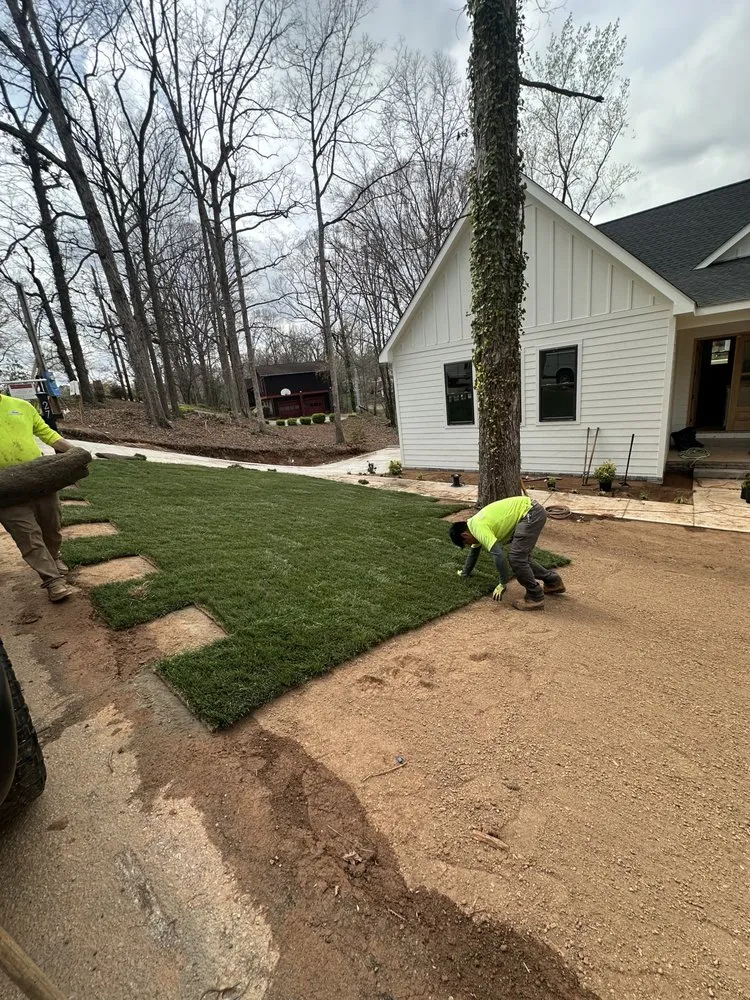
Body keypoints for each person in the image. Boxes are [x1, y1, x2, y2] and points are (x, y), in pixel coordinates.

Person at [0, 392, 76, 602]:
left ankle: (54, 556)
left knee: (51, 527)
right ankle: (53, 581)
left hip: (39, 480)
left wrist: (75, 452)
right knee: (28, 535)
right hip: (4, 491)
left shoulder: (21, 406)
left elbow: (47, 433)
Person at [449, 494, 565, 611]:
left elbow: (499, 555)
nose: (469, 545)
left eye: (467, 543)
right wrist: (465, 572)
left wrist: (502, 583)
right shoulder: (473, 526)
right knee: (522, 559)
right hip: (531, 511)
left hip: (530, 513)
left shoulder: (478, 528)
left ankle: (535, 597)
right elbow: (473, 554)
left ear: (465, 535)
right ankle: (553, 582)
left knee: (516, 558)